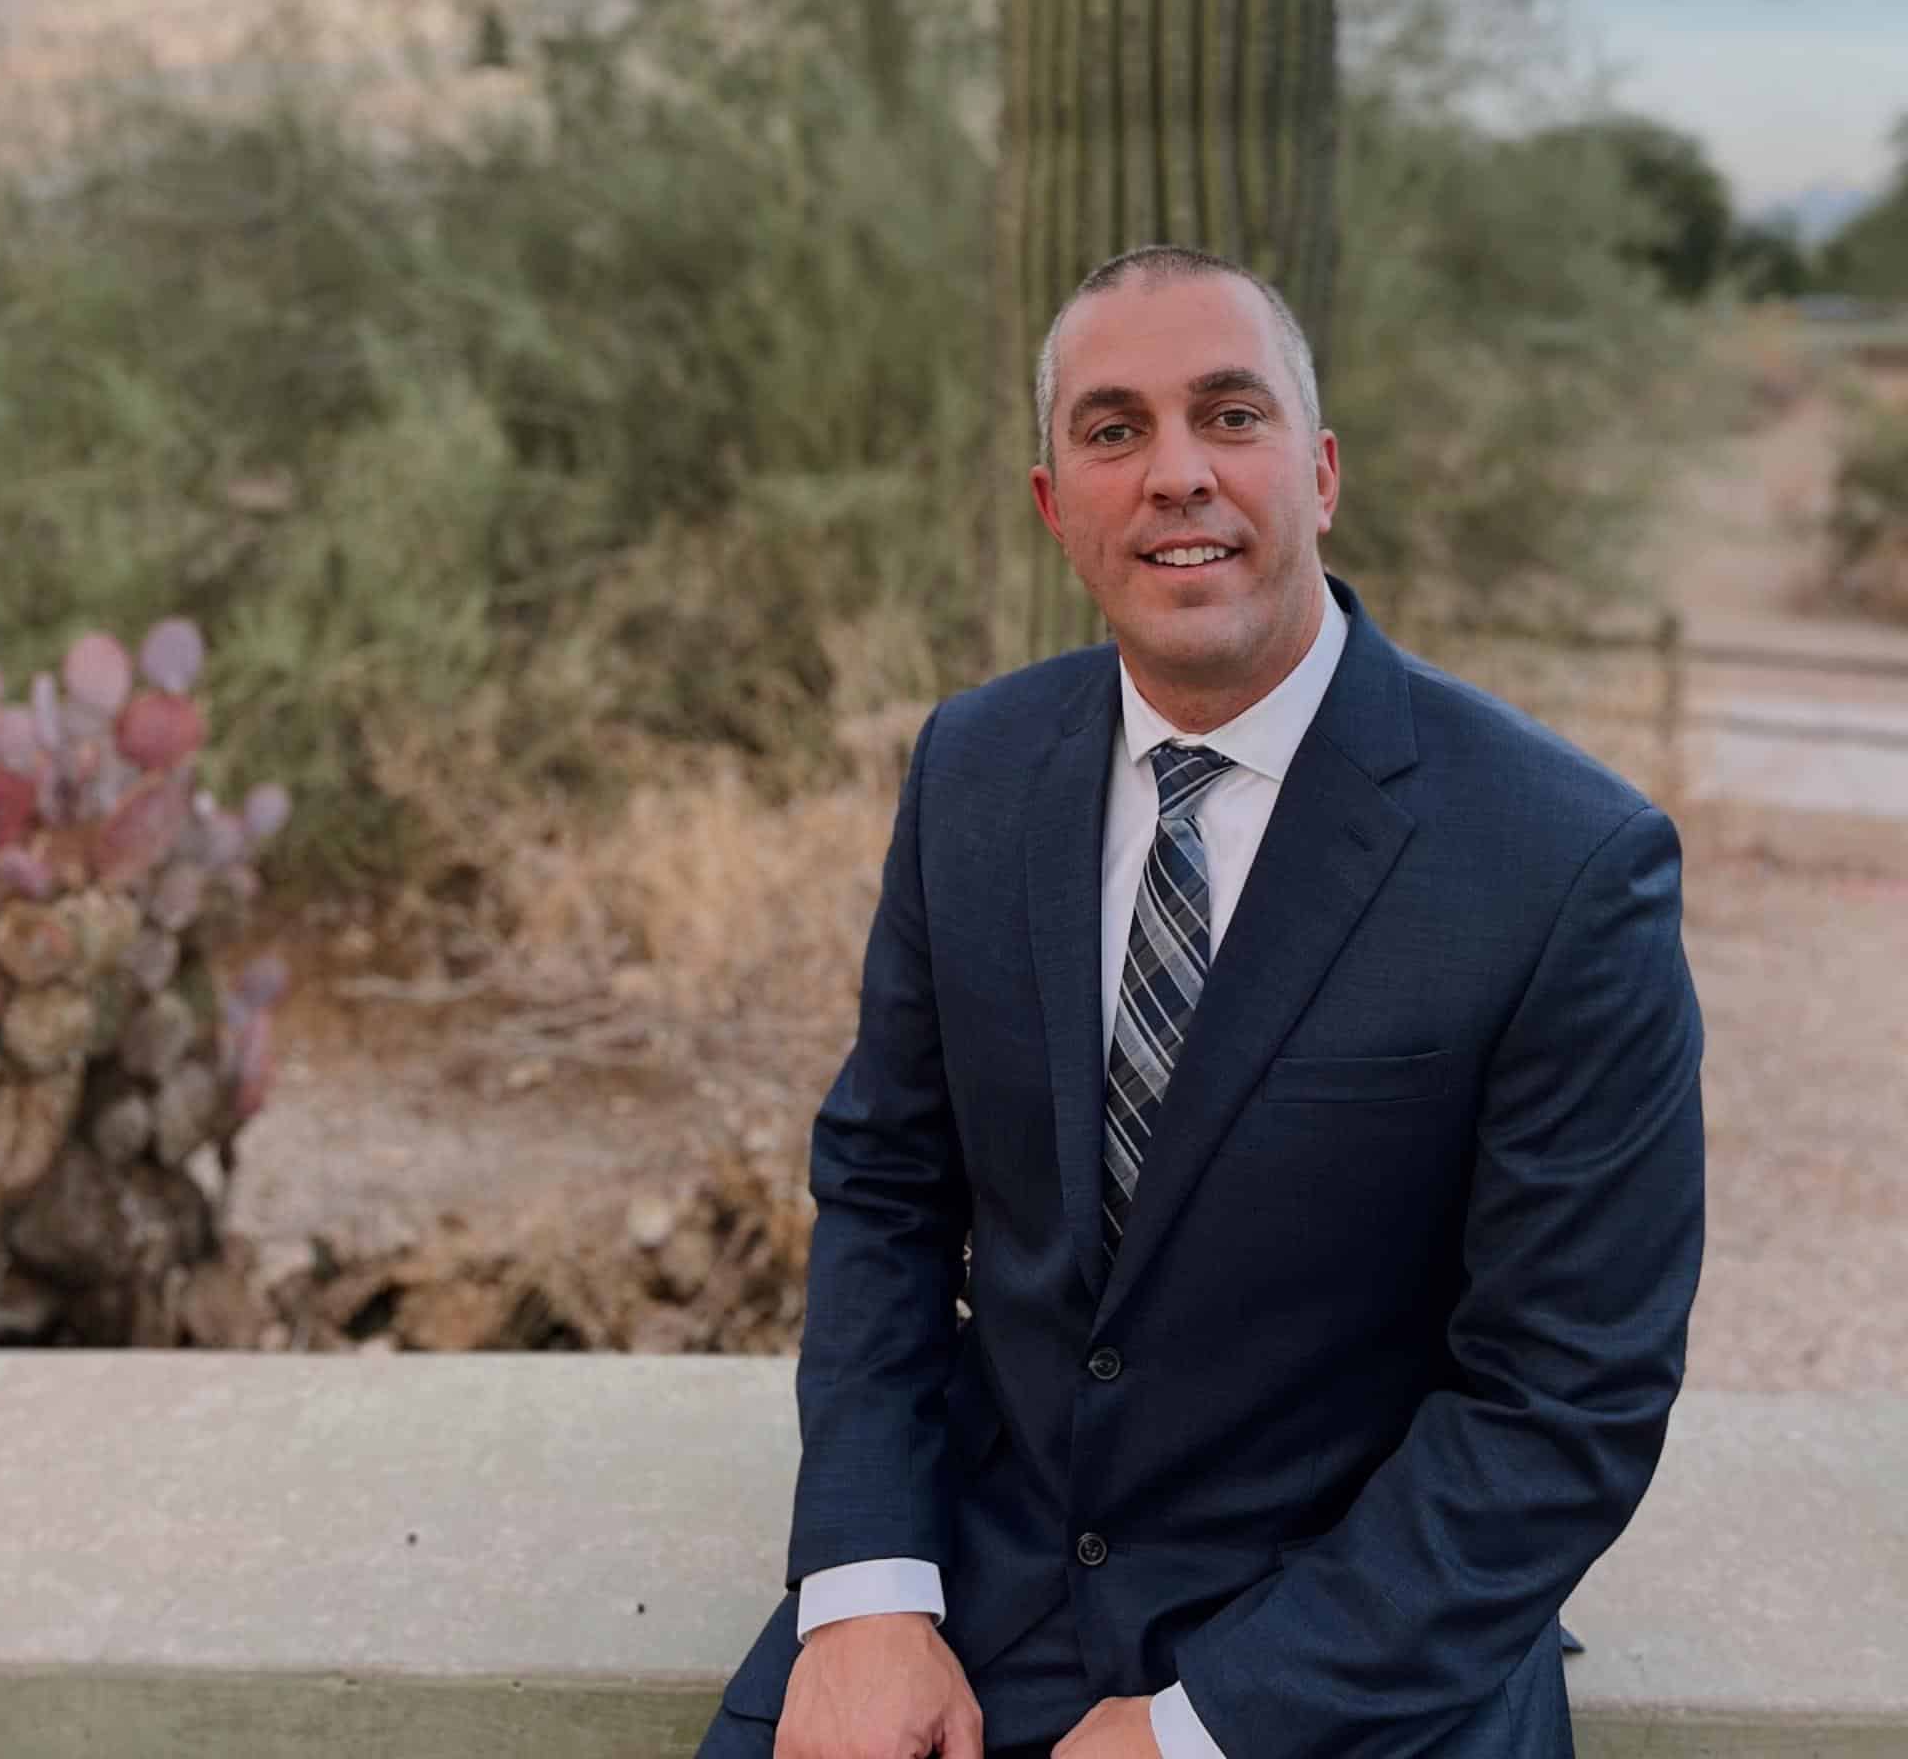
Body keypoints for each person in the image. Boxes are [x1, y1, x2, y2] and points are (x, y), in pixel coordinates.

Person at [698, 243, 1704, 1759]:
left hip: (1355, 1647)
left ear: (1321, 473)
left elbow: (1567, 1399)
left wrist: (1202, 1730)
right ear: (1056, 506)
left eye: (1231, 416)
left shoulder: (1564, 860)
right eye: (1115, 430)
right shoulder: (972, 770)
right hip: (978, 1585)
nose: (1177, 472)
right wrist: (865, 1589)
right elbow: (886, 1191)